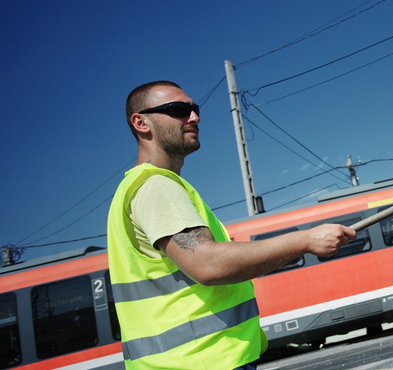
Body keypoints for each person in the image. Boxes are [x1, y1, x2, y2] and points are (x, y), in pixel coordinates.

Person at [106, 80, 356, 370]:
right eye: (178, 109)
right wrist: (306, 240)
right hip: (203, 361)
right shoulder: (155, 185)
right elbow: (209, 264)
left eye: (195, 109)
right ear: (141, 122)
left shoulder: (140, 187)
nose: (194, 117)